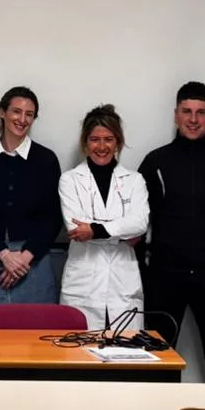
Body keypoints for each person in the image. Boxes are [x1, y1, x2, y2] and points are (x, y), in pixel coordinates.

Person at [138, 81, 205, 383]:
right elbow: (137, 219)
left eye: (201, 112)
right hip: (165, 274)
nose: (194, 119)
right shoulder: (155, 161)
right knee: (158, 357)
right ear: (176, 115)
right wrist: (142, 269)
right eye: (187, 111)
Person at [0, 86, 62, 313]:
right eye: (16, 111)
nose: (22, 119)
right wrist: (4, 254)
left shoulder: (46, 159)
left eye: (29, 114)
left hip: (34, 261)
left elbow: (53, 216)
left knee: (36, 338)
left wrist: (24, 258)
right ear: (2, 112)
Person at [58, 105, 150, 331]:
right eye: (94, 139)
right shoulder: (69, 180)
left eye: (108, 139)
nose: (101, 146)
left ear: (118, 142)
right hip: (83, 284)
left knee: (126, 356)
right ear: (85, 142)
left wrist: (95, 230)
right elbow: (75, 226)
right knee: (79, 356)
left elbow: (140, 223)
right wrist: (121, 232)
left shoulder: (134, 180)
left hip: (123, 284)